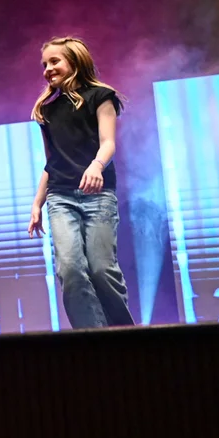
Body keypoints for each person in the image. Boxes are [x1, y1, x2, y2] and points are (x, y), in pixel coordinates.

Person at [27, 36, 135, 329]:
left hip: (98, 195)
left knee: (101, 270)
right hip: (60, 198)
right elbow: (51, 162)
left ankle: (126, 336)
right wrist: (37, 204)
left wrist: (96, 166)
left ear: (74, 61)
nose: (48, 69)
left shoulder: (101, 96)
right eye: (44, 64)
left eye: (54, 61)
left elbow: (108, 142)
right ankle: (90, 337)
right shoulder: (47, 111)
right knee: (71, 270)